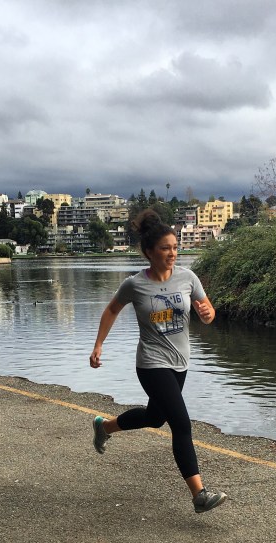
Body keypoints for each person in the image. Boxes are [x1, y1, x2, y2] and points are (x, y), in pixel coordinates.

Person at [89, 209, 227, 514]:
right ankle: (199, 494)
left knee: (155, 418)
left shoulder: (187, 278)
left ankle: (105, 427)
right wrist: (99, 345)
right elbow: (111, 310)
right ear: (149, 252)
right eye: (165, 248)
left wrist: (208, 314)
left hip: (181, 362)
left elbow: (207, 309)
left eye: (175, 247)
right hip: (151, 363)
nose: (172, 253)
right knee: (181, 423)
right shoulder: (135, 284)